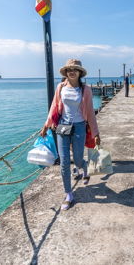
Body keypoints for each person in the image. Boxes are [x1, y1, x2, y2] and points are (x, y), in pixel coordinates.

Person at [40, 58, 100, 210]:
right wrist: (46, 125)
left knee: (78, 160)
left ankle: (84, 166)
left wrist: (95, 132)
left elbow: (91, 114)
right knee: (65, 162)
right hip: (62, 127)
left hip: (79, 127)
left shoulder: (85, 89)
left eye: (75, 69)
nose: (71, 72)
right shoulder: (60, 87)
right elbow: (54, 107)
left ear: (80, 72)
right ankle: (68, 194)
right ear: (66, 73)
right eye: (69, 70)